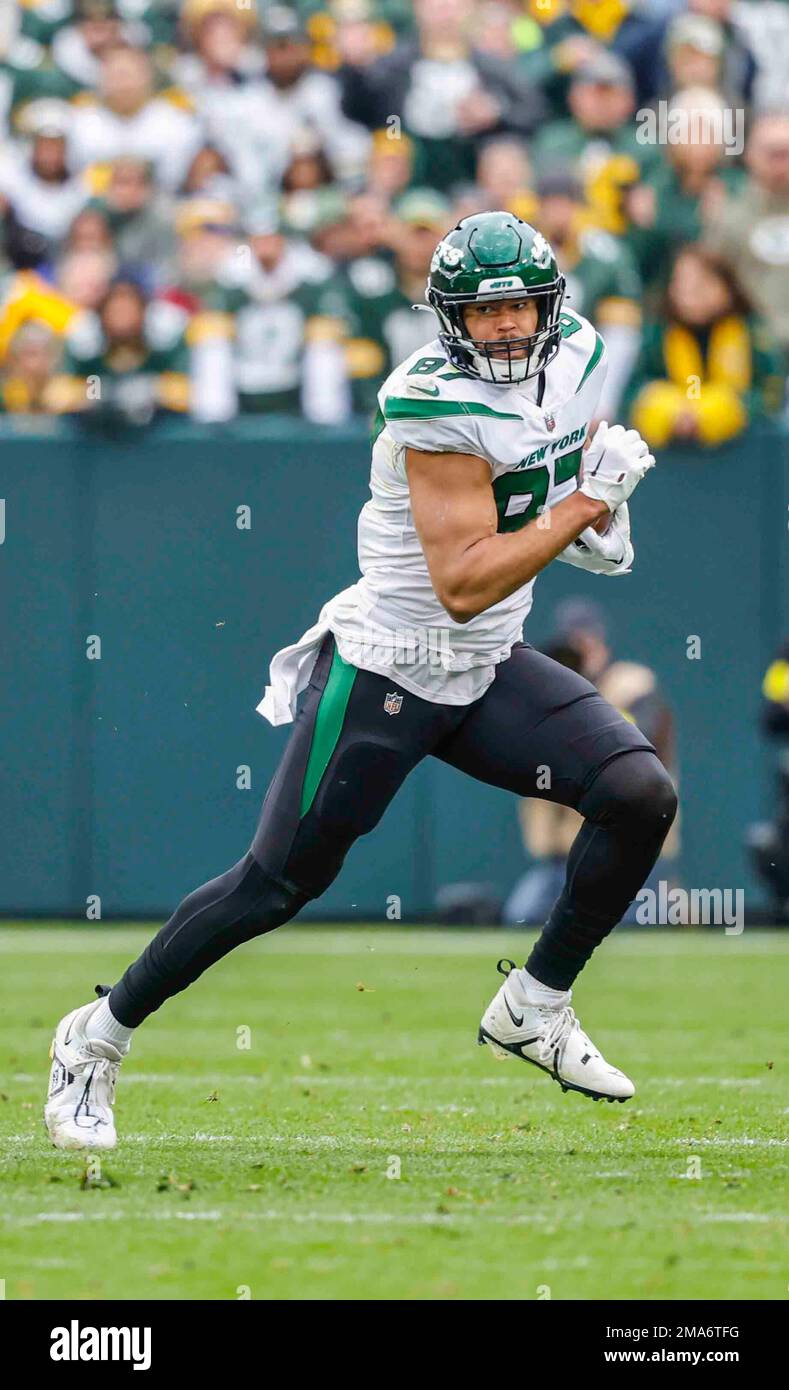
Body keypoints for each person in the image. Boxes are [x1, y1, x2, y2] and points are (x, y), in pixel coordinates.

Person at [44, 210, 676, 1150]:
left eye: (520, 307)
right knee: (273, 885)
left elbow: (539, 481)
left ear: (551, 305)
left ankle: (533, 1006)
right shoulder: (429, 401)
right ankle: (94, 1039)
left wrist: (584, 511)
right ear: (447, 318)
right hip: (393, 663)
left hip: (488, 662)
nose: (506, 327)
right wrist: (590, 499)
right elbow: (461, 583)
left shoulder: (578, 353)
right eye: (484, 311)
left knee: (635, 790)